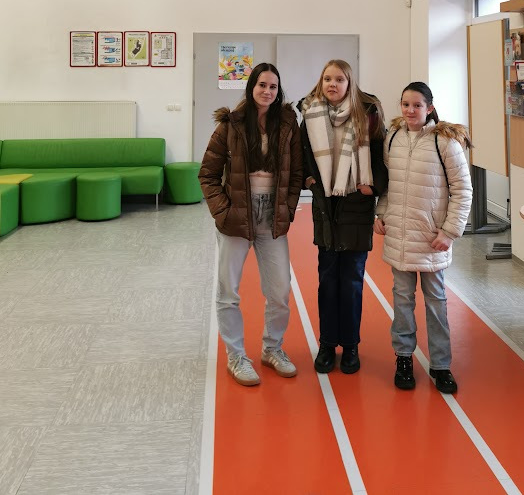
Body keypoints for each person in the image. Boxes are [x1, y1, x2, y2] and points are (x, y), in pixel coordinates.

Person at [199, 62, 303, 387]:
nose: (267, 91)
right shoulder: (230, 124)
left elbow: (296, 174)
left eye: (273, 86)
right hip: (236, 217)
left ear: (278, 91)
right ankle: (236, 356)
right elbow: (207, 174)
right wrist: (223, 212)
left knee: (280, 291)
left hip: (272, 217)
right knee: (228, 291)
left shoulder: (288, 125)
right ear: (251, 87)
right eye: (262, 85)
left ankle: (272, 348)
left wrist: (287, 208)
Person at [374, 82, 472, 394]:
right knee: (402, 300)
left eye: (417, 105)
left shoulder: (445, 141)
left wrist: (450, 232)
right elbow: (389, 184)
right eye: (405, 104)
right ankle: (403, 358)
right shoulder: (393, 137)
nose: (410, 110)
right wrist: (381, 213)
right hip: (400, 237)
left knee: (436, 302)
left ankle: (441, 364)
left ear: (429, 108)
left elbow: (463, 190)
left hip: (432, 239)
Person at [299, 59, 387, 375]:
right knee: (327, 280)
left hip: (355, 203)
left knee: (351, 281)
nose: (332, 84)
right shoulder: (310, 114)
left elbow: (381, 157)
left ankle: (350, 346)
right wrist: (309, 179)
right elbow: (303, 155)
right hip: (325, 204)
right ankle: (326, 344)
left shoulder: (368, 113)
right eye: (327, 79)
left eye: (339, 79)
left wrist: (372, 187)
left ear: (350, 83)